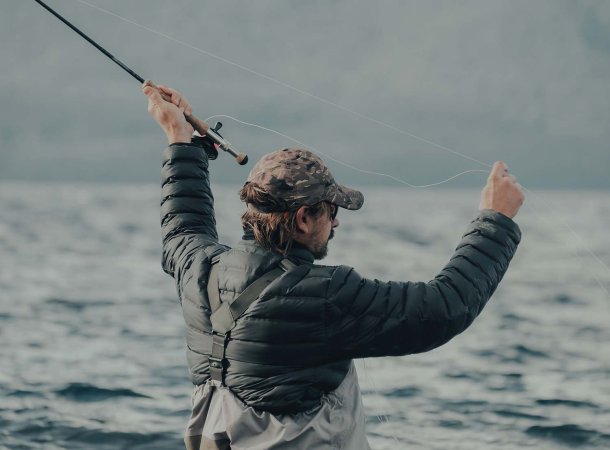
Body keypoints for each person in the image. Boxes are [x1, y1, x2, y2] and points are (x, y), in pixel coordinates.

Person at [143, 83, 524, 450]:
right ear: (305, 217)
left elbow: (183, 223)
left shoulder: (197, 266)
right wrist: (496, 218)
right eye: (332, 211)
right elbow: (445, 308)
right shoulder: (323, 294)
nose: (337, 222)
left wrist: (180, 138)